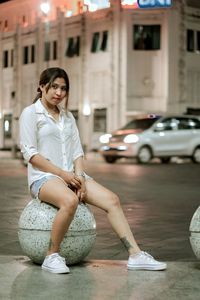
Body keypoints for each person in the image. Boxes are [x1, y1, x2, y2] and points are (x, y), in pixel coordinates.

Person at [19, 67, 167, 274]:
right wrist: (64, 175)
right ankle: (51, 256)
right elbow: (30, 154)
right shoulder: (30, 113)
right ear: (42, 86)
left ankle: (135, 255)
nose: (59, 93)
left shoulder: (68, 117)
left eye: (63, 88)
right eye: (54, 87)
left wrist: (78, 177)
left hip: (72, 175)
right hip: (44, 178)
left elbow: (77, 151)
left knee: (112, 200)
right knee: (69, 201)